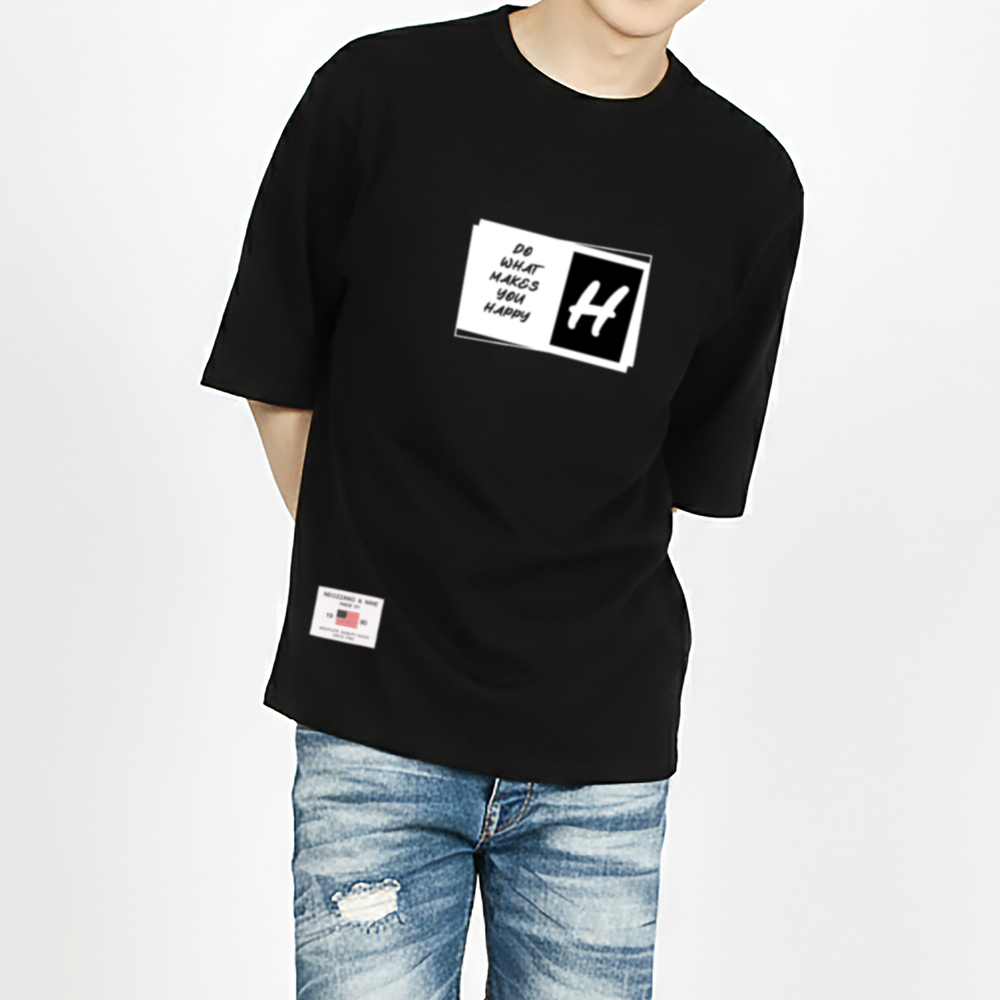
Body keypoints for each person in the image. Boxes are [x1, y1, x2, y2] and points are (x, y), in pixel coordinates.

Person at [200, 1, 804, 996]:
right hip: (375, 730)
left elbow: (675, 464)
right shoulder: (380, 94)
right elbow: (278, 363)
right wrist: (382, 571)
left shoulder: (746, 183)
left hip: (599, 755)